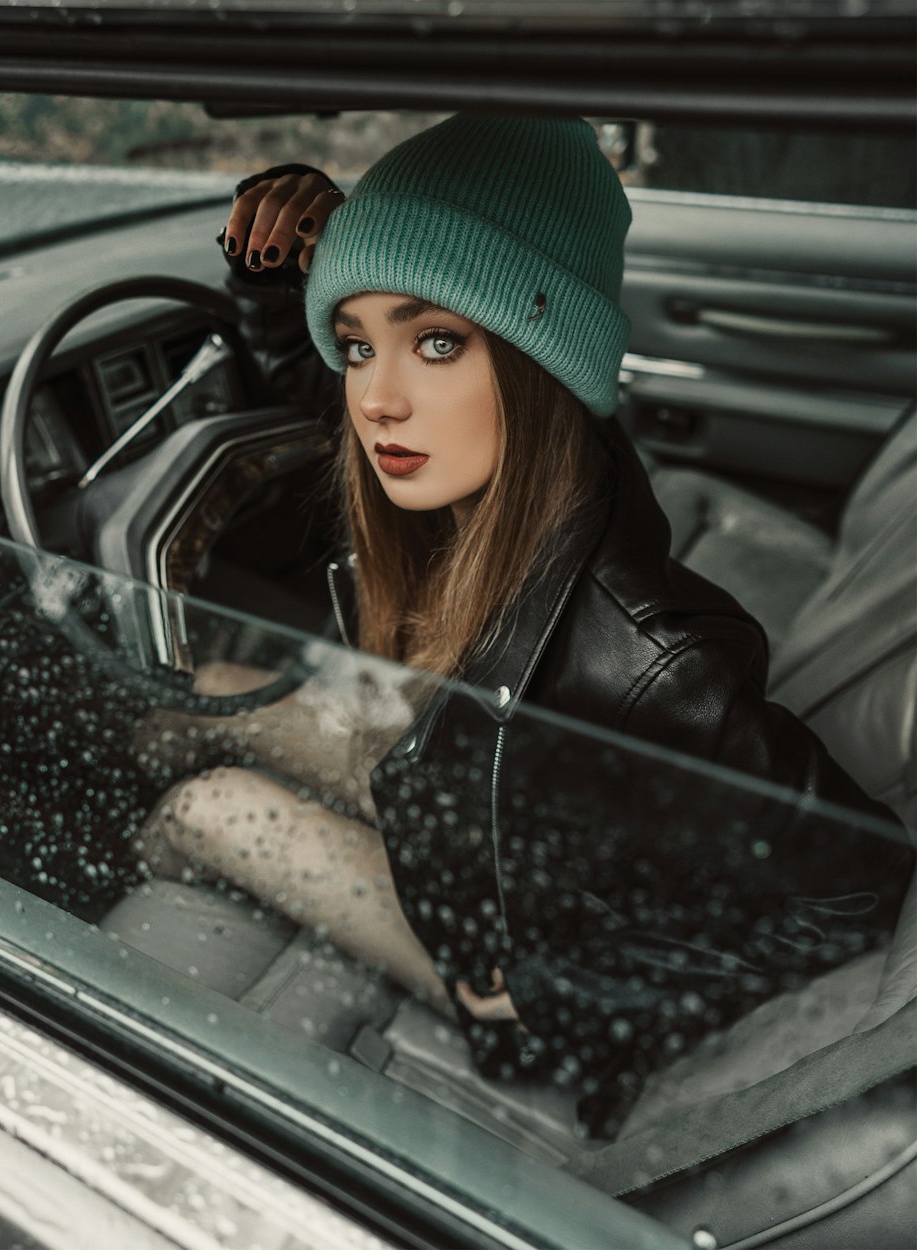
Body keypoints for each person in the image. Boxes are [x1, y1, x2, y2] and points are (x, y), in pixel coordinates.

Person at [138, 114, 913, 1130]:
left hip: (501, 938)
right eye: (357, 342)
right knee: (211, 695)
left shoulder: (653, 659)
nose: (377, 398)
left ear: (540, 355)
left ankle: (84, 1005)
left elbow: (854, 887)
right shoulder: (511, 467)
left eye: (437, 341)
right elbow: (342, 410)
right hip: (464, 794)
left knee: (203, 799)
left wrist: (542, 992)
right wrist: (274, 291)